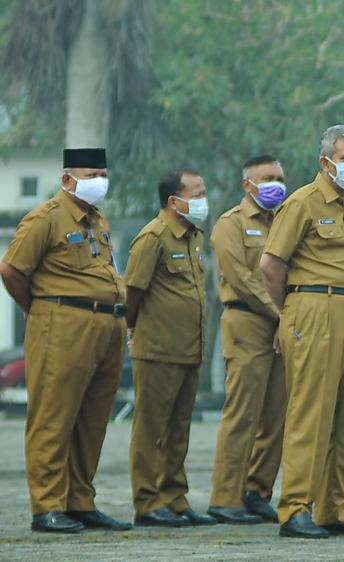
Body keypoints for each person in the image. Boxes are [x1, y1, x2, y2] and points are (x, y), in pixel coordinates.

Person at [0, 148, 132, 534]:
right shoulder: (46, 218)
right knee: (53, 417)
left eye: (104, 173)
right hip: (62, 323)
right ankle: (47, 506)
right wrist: (40, 308)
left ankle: (80, 501)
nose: (101, 180)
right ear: (68, 179)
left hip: (106, 324)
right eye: (94, 173)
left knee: (92, 419)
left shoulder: (100, 220)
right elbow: (11, 269)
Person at [261, 124, 344, 538]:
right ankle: (295, 507)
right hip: (314, 305)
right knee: (311, 411)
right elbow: (271, 265)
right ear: (326, 162)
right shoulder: (303, 203)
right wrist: (292, 309)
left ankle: (334, 506)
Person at [123, 169, 216, 528]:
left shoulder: (194, 237)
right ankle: (147, 503)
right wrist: (133, 329)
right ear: (173, 200)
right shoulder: (153, 237)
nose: (202, 200)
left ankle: (174, 498)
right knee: (152, 430)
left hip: (189, 349)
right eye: (197, 193)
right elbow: (133, 291)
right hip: (158, 349)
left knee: (179, 430)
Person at [207, 155, 290, 524]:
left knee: (276, 413)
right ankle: (226, 497)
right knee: (243, 411)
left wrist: (286, 319)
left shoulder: (286, 221)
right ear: (248, 185)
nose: (277, 184)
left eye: (280, 177)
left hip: (281, 324)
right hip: (247, 320)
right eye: (268, 178)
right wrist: (282, 315)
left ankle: (257, 491)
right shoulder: (231, 224)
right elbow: (243, 278)